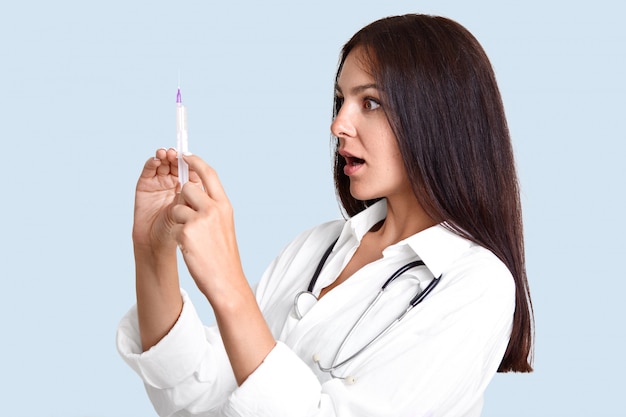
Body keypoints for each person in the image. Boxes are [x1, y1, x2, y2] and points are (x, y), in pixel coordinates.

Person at [117, 13, 534, 417]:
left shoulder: (477, 284)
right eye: (340, 100)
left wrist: (228, 285)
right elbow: (194, 400)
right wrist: (152, 252)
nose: (338, 125)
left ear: (437, 117)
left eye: (369, 102)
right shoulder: (318, 247)